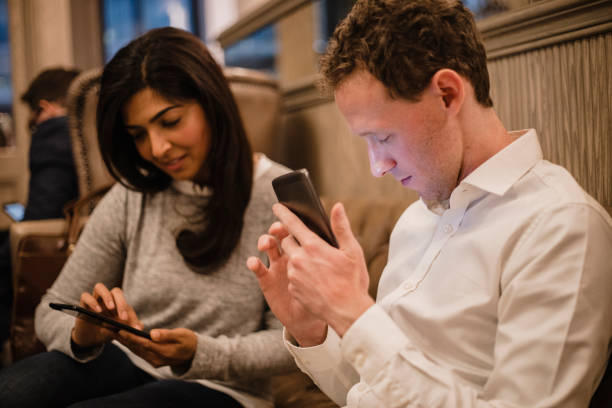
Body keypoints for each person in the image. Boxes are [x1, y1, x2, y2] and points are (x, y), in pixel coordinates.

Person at [246, 0, 612, 407]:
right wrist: (313, 330)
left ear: (447, 93)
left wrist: (354, 313)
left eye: (382, 138)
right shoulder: (415, 219)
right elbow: (370, 391)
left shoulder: (560, 228)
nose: (377, 167)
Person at [0, 27, 295, 407]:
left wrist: (199, 353)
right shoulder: (131, 196)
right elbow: (50, 308)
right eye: (138, 134)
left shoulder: (278, 195)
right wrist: (82, 334)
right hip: (123, 362)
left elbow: (296, 341)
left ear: (212, 104)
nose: (156, 149)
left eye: (170, 122)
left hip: (224, 389)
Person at [0, 68, 80, 347]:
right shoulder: (97, 128)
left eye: (33, 119)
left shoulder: (53, 132)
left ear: (43, 108)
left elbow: (42, 213)